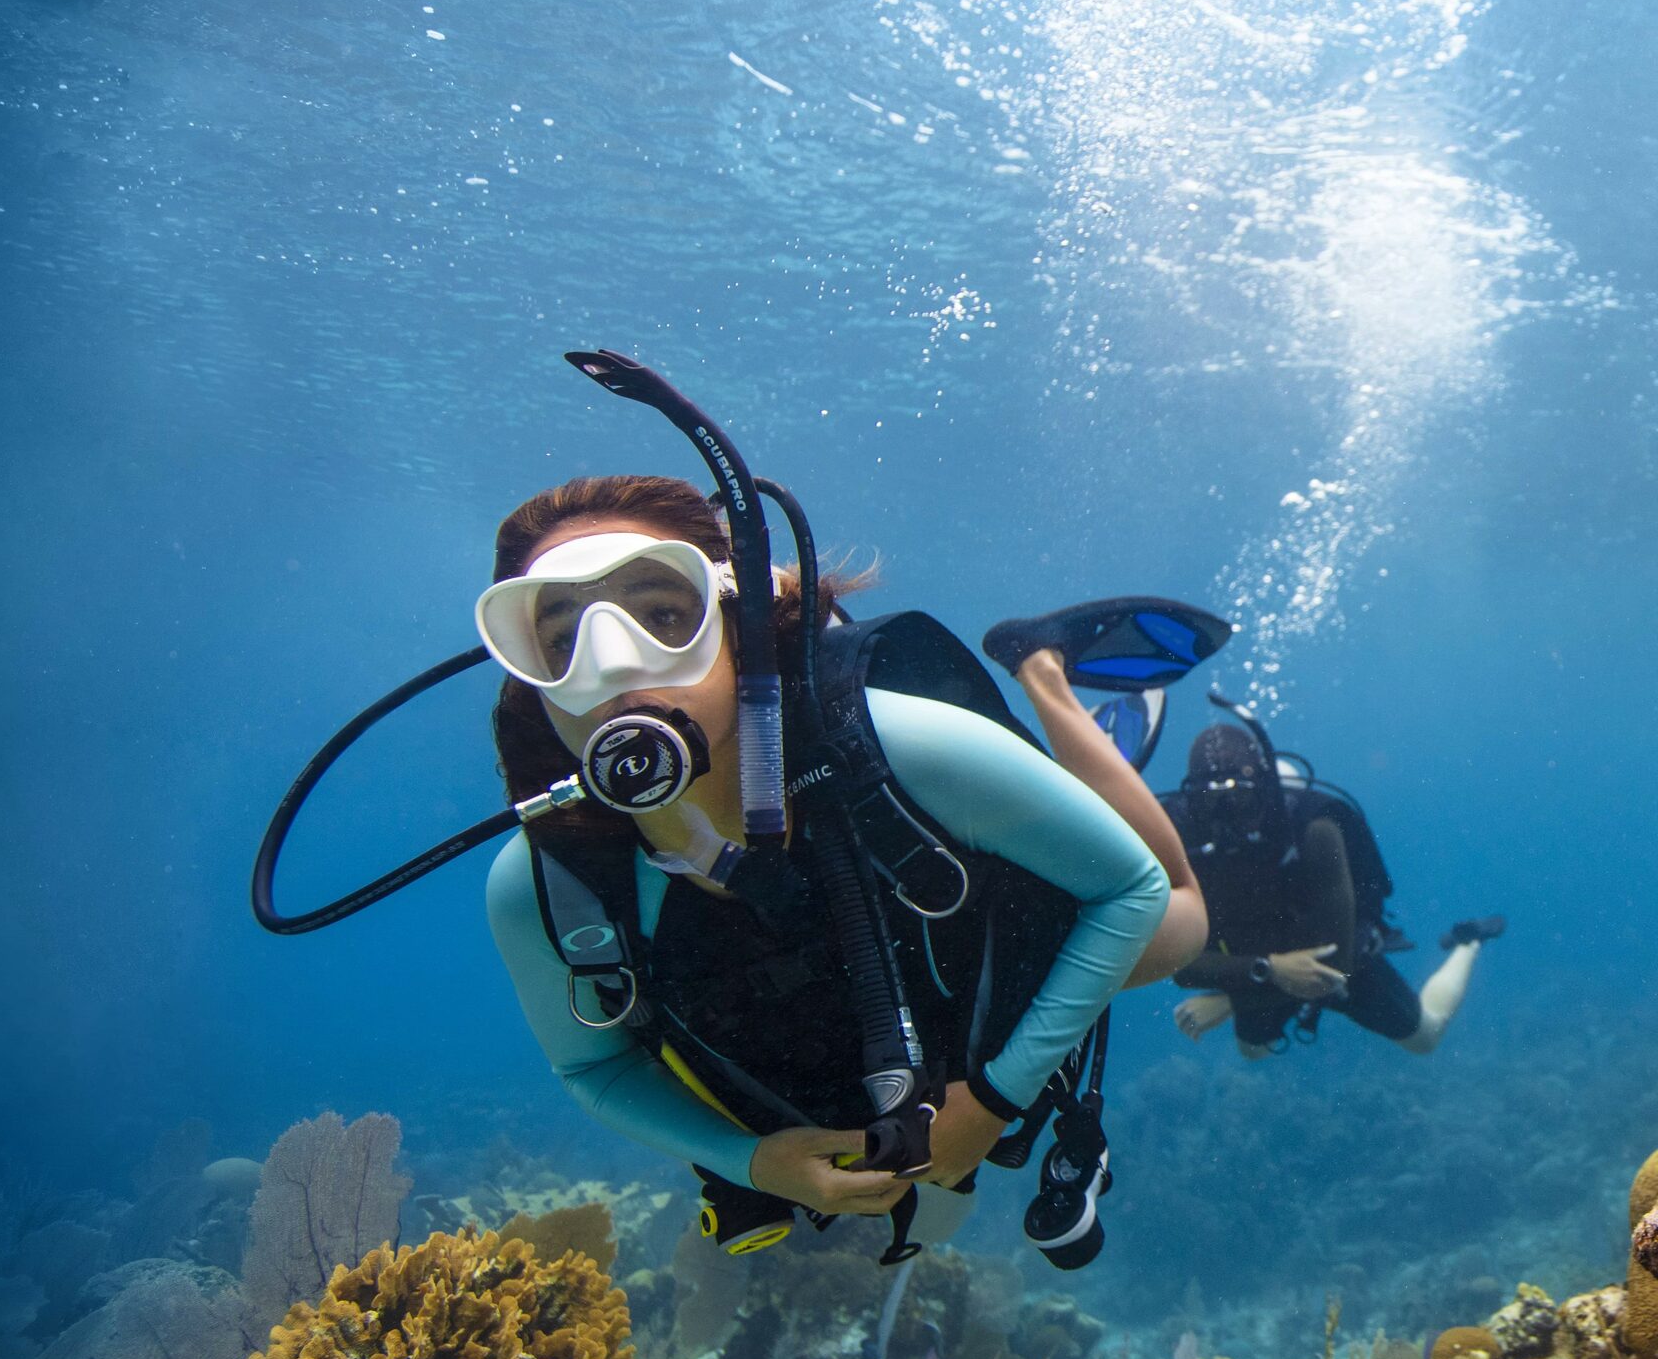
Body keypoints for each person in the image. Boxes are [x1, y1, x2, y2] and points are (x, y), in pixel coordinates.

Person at [478, 474, 1208, 1259]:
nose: (612, 666)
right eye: (561, 639)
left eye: (664, 615)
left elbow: (1129, 888)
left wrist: (996, 1097)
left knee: (1183, 920)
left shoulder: (906, 745)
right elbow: (592, 1066)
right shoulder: (545, 887)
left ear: (738, 628)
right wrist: (754, 1163)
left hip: (993, 932)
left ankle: (1044, 676)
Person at [1158, 715, 1503, 1060]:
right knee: (1252, 1051)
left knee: (1425, 1037)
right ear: (1190, 797)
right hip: (1261, 967)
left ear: (1263, 788)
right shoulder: (1177, 835)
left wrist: (1234, 998)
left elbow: (1335, 964)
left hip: (1337, 951)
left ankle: (1468, 941)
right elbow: (1175, 963)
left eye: (1239, 798)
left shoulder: (1314, 827)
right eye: (1208, 800)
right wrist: (1269, 970)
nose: (1225, 817)